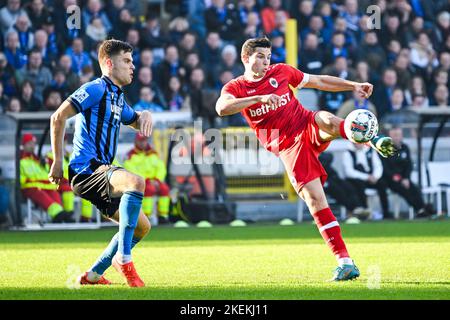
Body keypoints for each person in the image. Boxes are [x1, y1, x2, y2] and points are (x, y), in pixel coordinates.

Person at [215, 37, 396, 281]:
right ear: (246, 58)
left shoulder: (281, 72)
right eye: (260, 56)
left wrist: (353, 85)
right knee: (315, 200)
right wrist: (260, 99)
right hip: (288, 146)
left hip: (306, 123)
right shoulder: (236, 87)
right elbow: (222, 108)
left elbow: (319, 81)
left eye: (268, 56)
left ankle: (371, 139)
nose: (266, 62)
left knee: (327, 119)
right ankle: (345, 262)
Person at [48, 39, 153, 287]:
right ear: (108, 63)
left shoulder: (117, 97)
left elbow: (135, 119)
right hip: (86, 169)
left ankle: (92, 275)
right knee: (136, 182)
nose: (132, 66)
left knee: (142, 227)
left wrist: (145, 114)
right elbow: (58, 117)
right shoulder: (95, 89)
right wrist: (57, 161)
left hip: (102, 171)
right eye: (126, 61)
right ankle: (123, 258)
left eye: (132, 61)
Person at [20, 133, 74, 223]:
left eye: (33, 143)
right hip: (30, 188)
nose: (32, 146)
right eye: (29, 143)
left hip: (45, 186)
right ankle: (58, 214)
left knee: (54, 193)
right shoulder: (20, 159)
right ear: (24, 145)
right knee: (42, 194)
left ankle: (60, 215)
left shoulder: (37, 159)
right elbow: (21, 178)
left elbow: (45, 173)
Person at [381, 127, 434, 218]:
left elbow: (409, 165)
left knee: (415, 188)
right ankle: (419, 209)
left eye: (399, 135)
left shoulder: (405, 147)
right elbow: (386, 169)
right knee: (405, 189)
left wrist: (406, 178)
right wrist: (400, 179)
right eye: (394, 135)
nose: (397, 137)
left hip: (404, 179)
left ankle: (423, 208)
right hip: (390, 180)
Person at [123, 133, 170, 224]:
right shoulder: (131, 155)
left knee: (165, 189)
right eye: (140, 141)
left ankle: (163, 216)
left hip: (155, 181)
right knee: (148, 189)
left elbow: (161, 168)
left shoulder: (153, 153)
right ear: (136, 141)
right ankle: (146, 217)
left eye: (144, 140)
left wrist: (157, 180)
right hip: (140, 182)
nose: (142, 143)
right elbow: (130, 169)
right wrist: (146, 180)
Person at [342, 143, 390, 220]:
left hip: (372, 178)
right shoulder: (348, 153)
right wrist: (367, 177)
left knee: (382, 184)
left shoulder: (370, 150)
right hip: (357, 179)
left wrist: (375, 177)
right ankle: (364, 210)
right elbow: (349, 172)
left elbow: (378, 166)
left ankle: (386, 213)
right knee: (358, 185)